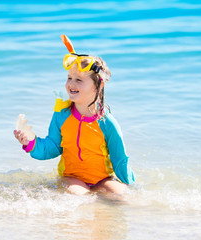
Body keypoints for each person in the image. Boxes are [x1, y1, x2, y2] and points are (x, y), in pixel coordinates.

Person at [14, 35, 135, 195]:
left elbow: (120, 159)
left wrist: (131, 185)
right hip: (72, 177)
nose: (71, 84)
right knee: (78, 195)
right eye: (69, 78)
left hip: (102, 179)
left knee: (121, 196)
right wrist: (31, 142)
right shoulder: (62, 115)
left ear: (98, 85)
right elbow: (52, 147)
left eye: (79, 80)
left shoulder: (107, 122)